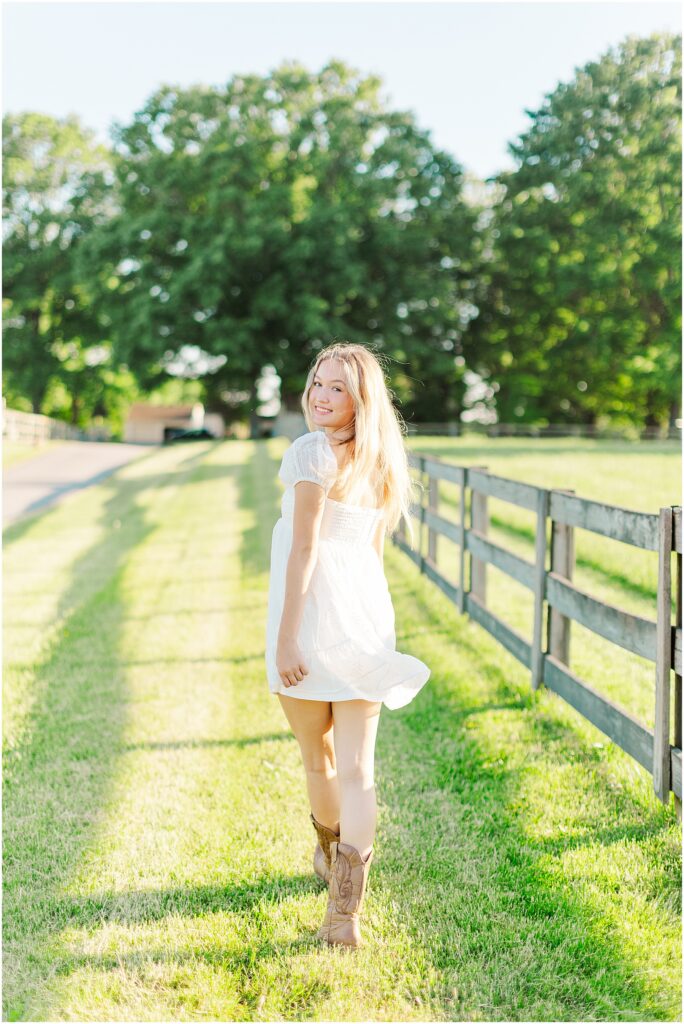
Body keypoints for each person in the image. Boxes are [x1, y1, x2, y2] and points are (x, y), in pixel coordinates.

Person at [264, 342, 431, 949]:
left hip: (310, 624)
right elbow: (370, 557)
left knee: (322, 761)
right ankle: (343, 911)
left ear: (361, 399)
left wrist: (286, 638)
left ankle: (334, 874)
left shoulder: (311, 453)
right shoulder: (381, 459)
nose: (321, 395)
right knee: (358, 771)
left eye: (337, 387)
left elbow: (305, 550)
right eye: (317, 382)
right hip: (363, 622)